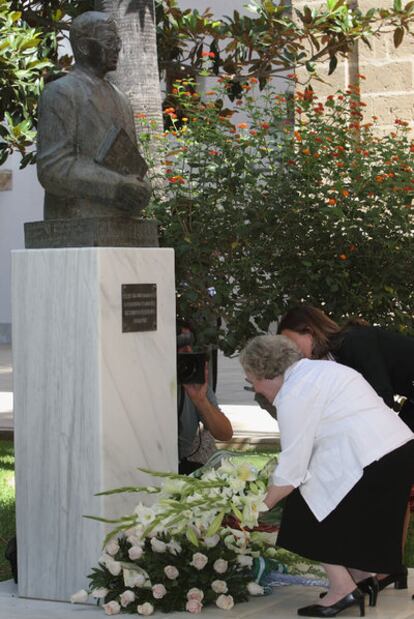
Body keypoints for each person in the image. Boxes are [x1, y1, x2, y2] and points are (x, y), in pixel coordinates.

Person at [240, 335, 414, 617]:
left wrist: (255, 510)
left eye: (253, 380)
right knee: (331, 502)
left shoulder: (294, 394)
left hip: (374, 455)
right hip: (398, 450)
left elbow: (291, 470)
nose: (256, 389)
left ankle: (341, 588)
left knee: (304, 506)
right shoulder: (322, 369)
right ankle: (360, 575)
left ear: (266, 372)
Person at [37, 11, 151, 219]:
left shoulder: (122, 99)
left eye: (117, 41)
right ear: (83, 46)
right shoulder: (61, 92)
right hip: (75, 217)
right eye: (109, 41)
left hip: (120, 220)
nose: (117, 47)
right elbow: (52, 168)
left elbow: (131, 162)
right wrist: (115, 186)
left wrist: (140, 187)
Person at [277, 305, 414, 431]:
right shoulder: (338, 354)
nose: (292, 352)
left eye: (291, 343)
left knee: (401, 445)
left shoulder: (354, 341)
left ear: (309, 332)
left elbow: (381, 396)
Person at [177, 323, 233, 474]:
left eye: (190, 344)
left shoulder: (193, 382)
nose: (187, 351)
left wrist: (200, 400)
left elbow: (225, 433)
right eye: (179, 345)